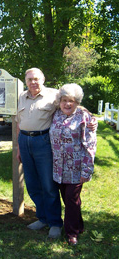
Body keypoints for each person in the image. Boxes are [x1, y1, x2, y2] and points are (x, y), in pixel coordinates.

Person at [16, 68, 63, 239]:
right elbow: (18, 123)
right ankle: (42, 218)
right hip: (25, 141)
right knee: (32, 184)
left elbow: (71, 105)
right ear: (26, 81)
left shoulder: (54, 95)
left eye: (36, 79)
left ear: (43, 79)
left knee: (48, 185)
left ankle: (55, 222)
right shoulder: (21, 96)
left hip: (43, 142)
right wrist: (19, 148)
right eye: (29, 80)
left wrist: (87, 114)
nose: (33, 82)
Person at [49, 83, 96, 245]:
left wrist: (87, 170)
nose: (67, 104)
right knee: (70, 200)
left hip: (76, 167)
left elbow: (90, 145)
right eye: (64, 100)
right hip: (58, 167)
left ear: (77, 102)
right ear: (59, 101)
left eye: (72, 101)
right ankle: (79, 225)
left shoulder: (84, 116)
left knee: (71, 199)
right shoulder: (56, 114)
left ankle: (71, 233)